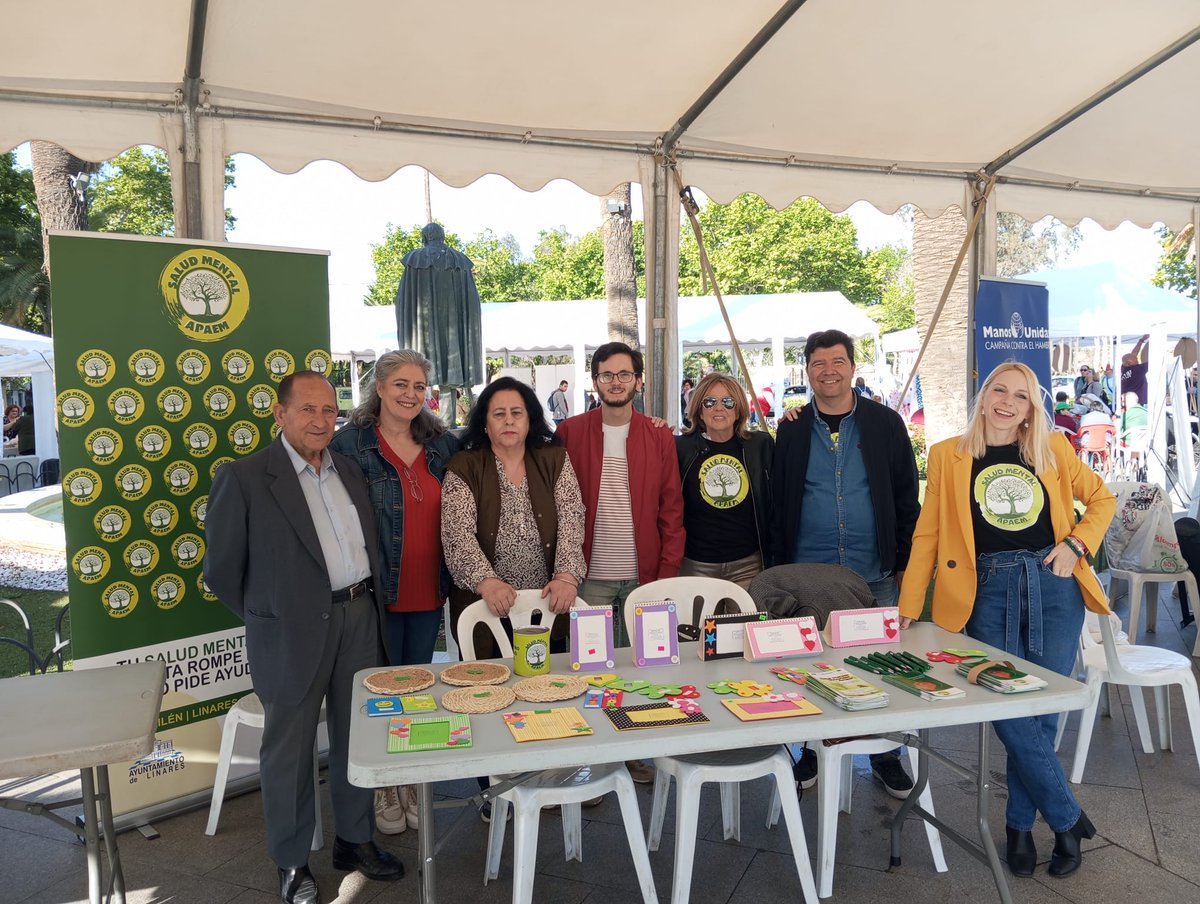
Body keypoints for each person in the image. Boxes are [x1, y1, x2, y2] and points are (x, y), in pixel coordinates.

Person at [897, 362, 1115, 880]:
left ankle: (1020, 826)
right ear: (984, 394)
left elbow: (1101, 498)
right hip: (986, 590)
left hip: (1053, 583)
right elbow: (928, 535)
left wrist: (1076, 545)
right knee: (1008, 706)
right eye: (1000, 389)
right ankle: (1066, 818)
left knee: (1043, 712)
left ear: (1031, 406)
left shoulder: (1052, 448)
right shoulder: (947, 455)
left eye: (1021, 395)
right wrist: (908, 605)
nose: (1008, 401)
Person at [204, 372, 403, 904]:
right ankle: (292, 862)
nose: (321, 421)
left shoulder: (351, 471)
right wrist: (271, 615)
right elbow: (222, 571)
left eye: (329, 411)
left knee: (357, 734)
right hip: (290, 632)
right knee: (289, 749)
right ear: (280, 413)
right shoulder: (245, 478)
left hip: (359, 616)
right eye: (308, 410)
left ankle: (354, 841)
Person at [772, 328, 919, 799]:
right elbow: (779, 498)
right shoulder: (791, 428)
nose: (828, 371)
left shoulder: (885, 424)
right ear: (808, 370)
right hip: (809, 575)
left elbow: (904, 495)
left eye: (837, 361)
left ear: (853, 367)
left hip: (873, 570)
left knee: (880, 665)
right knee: (809, 667)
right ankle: (810, 750)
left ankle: (885, 754)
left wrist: (905, 559)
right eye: (818, 363)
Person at [329, 350, 460, 836]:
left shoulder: (441, 443)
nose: (411, 394)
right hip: (377, 591)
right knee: (378, 688)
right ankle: (383, 785)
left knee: (416, 684)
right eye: (400, 384)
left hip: (430, 588)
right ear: (379, 387)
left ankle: (407, 779)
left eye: (419, 385)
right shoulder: (351, 445)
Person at [556, 341, 684, 785]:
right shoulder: (570, 432)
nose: (615, 381)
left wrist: (664, 579)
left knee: (641, 670)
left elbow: (672, 511)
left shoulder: (658, 434)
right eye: (607, 374)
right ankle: (591, 758)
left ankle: (636, 750)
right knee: (589, 669)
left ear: (639, 380)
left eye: (624, 374)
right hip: (588, 576)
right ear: (594, 382)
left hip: (642, 576)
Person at [441, 376, 586, 658]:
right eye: (499, 414)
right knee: (485, 693)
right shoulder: (464, 466)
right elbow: (456, 534)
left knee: (546, 689)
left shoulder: (555, 459)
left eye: (516, 413)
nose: (508, 421)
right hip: (484, 606)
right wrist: (487, 582)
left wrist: (567, 577)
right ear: (485, 423)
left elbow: (572, 518)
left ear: (529, 420)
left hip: (546, 606)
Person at [675, 372, 773, 590]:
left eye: (728, 402)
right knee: (697, 625)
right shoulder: (680, 448)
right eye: (709, 402)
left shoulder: (760, 446)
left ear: (738, 409)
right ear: (699, 410)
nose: (718, 408)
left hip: (749, 565)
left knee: (747, 624)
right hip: (696, 565)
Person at [1121, 334, 1150, 405]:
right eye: (1135, 359)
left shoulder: (1123, 368)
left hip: (1126, 401)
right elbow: (1154, 362)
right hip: (1138, 402)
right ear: (1128, 362)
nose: (1137, 359)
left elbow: (1133, 354)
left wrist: (1141, 340)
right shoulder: (1137, 370)